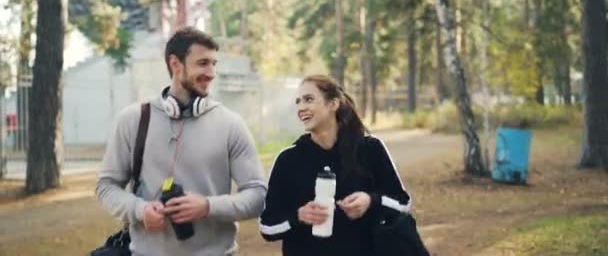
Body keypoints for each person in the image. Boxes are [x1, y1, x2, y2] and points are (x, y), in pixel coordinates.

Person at [96, 27, 267, 256]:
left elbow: (257, 195)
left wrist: (208, 206)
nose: (211, 72)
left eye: (214, 63)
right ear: (175, 64)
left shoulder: (231, 125)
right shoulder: (132, 120)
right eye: (203, 63)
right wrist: (140, 210)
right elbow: (106, 186)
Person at [259, 74, 412, 256]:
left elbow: (403, 203)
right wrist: (298, 217)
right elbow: (267, 227)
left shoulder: (371, 150)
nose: (301, 108)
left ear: (333, 104)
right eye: (298, 102)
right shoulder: (287, 160)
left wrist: (371, 201)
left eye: (309, 99)